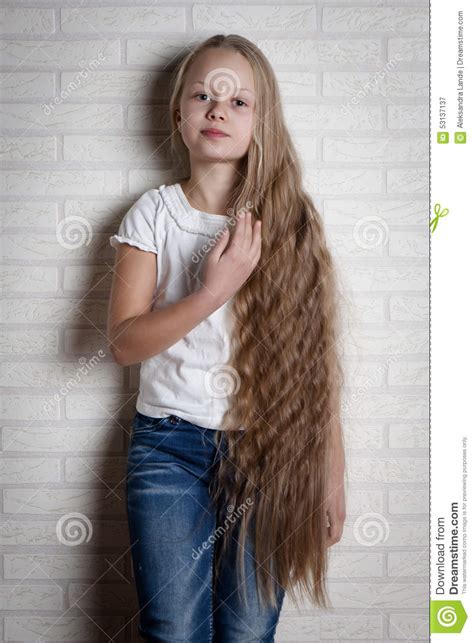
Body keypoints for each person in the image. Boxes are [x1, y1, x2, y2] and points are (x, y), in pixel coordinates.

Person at [107, 33, 347, 643]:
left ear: (262, 123)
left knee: (247, 631)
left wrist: (331, 472)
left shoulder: (290, 219)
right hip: (169, 449)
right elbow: (125, 344)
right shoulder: (154, 214)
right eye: (203, 96)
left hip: (271, 454)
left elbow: (314, 363)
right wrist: (211, 291)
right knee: (174, 628)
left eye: (240, 101)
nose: (218, 108)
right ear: (179, 117)